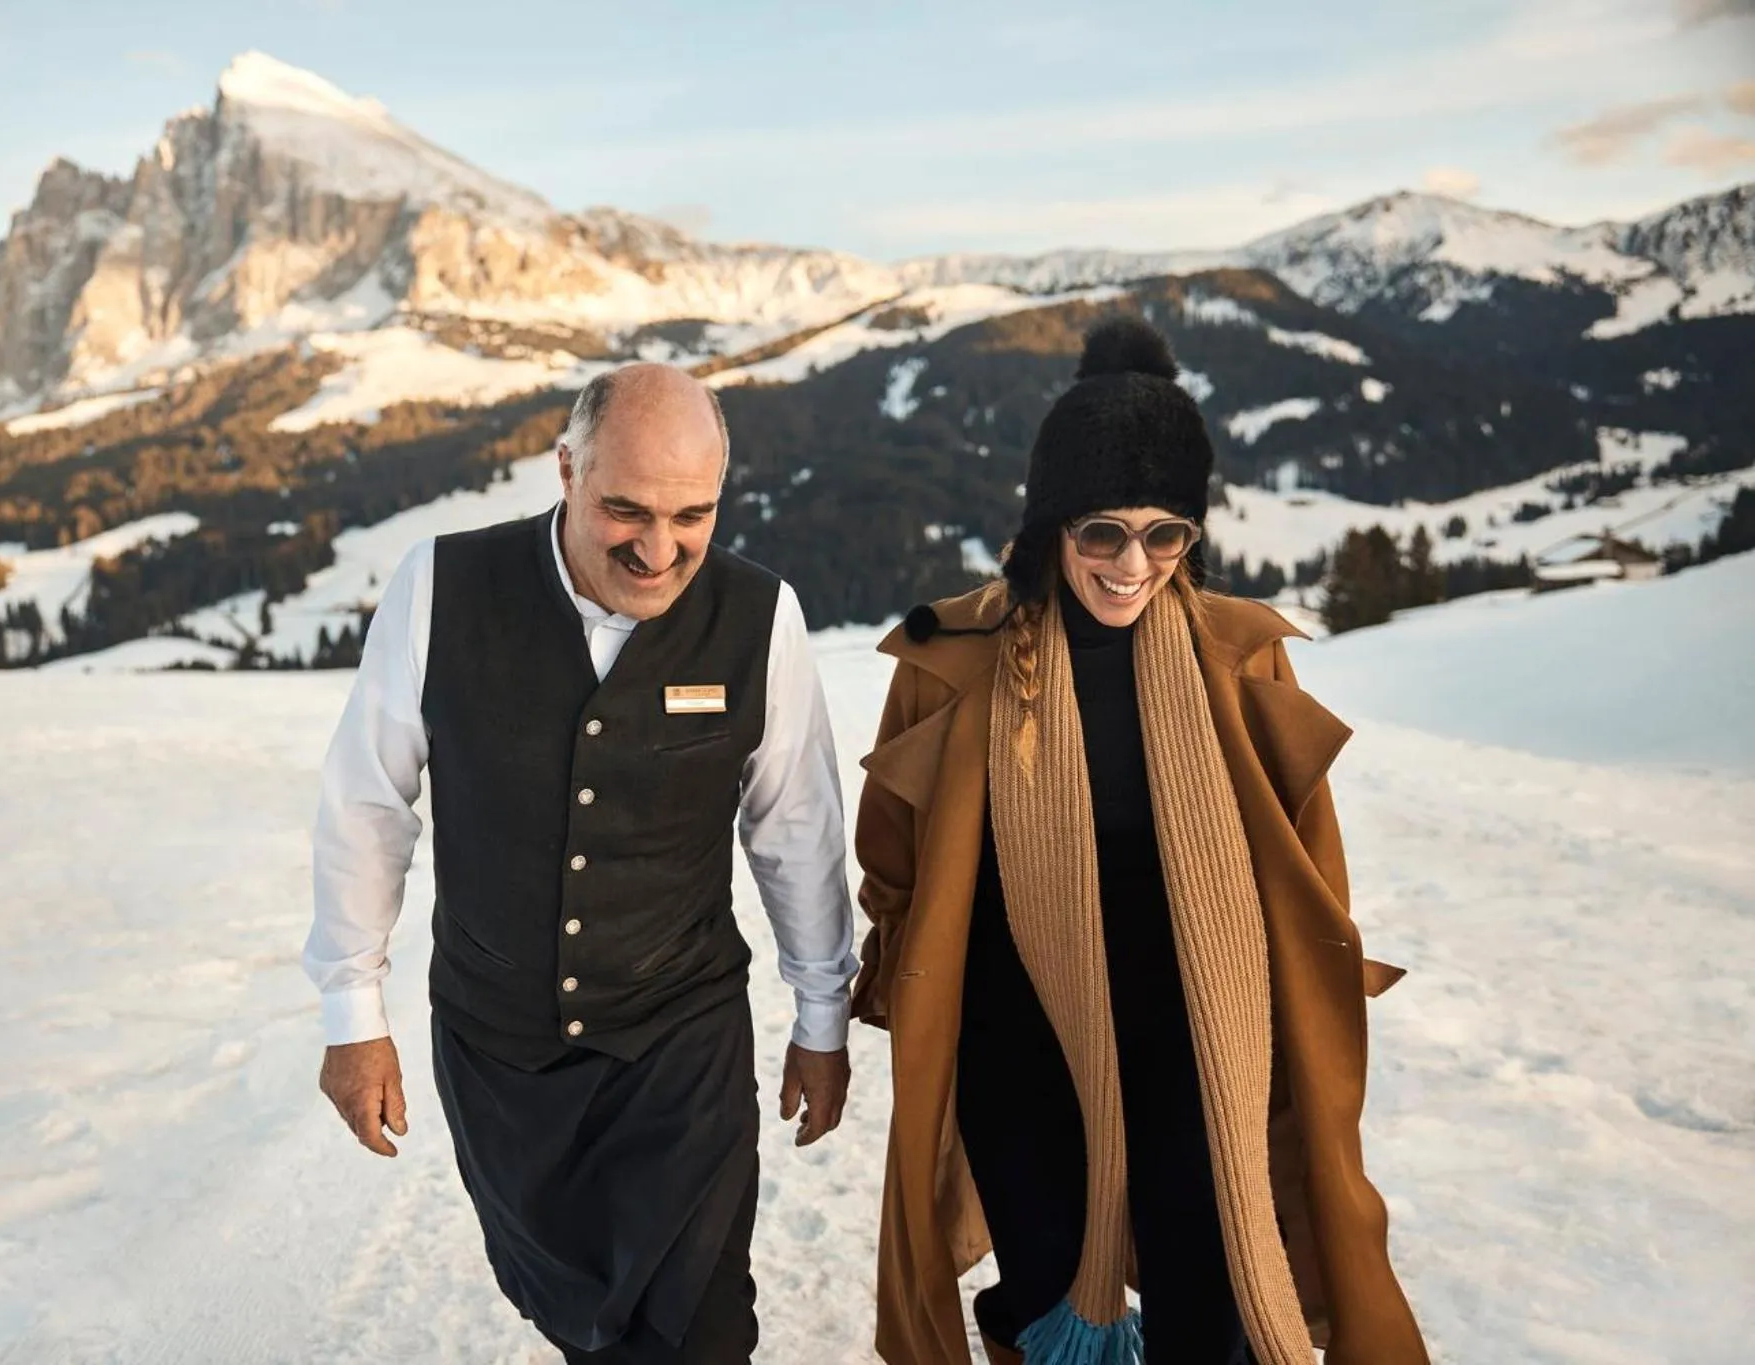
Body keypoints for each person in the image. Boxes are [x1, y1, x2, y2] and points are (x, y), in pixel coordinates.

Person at [849, 317, 1429, 1365]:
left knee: (1202, 1280)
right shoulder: (954, 659)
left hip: (1190, 1018)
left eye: (1166, 535)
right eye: (1102, 533)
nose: (1134, 563)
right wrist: (908, 971)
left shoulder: (1235, 658)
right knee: (1039, 1283)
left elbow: (1302, 860)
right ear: (1047, 526)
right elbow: (889, 856)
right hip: (1012, 1019)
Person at [303, 362, 859, 1364]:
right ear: (564, 469)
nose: (658, 549)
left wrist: (821, 1020)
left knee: (699, 1329)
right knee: (584, 1328)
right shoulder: (441, 589)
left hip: (679, 1047)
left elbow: (796, 832)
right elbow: (367, 805)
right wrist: (353, 1019)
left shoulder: (756, 617)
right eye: (625, 511)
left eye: (691, 515)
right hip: (501, 1054)